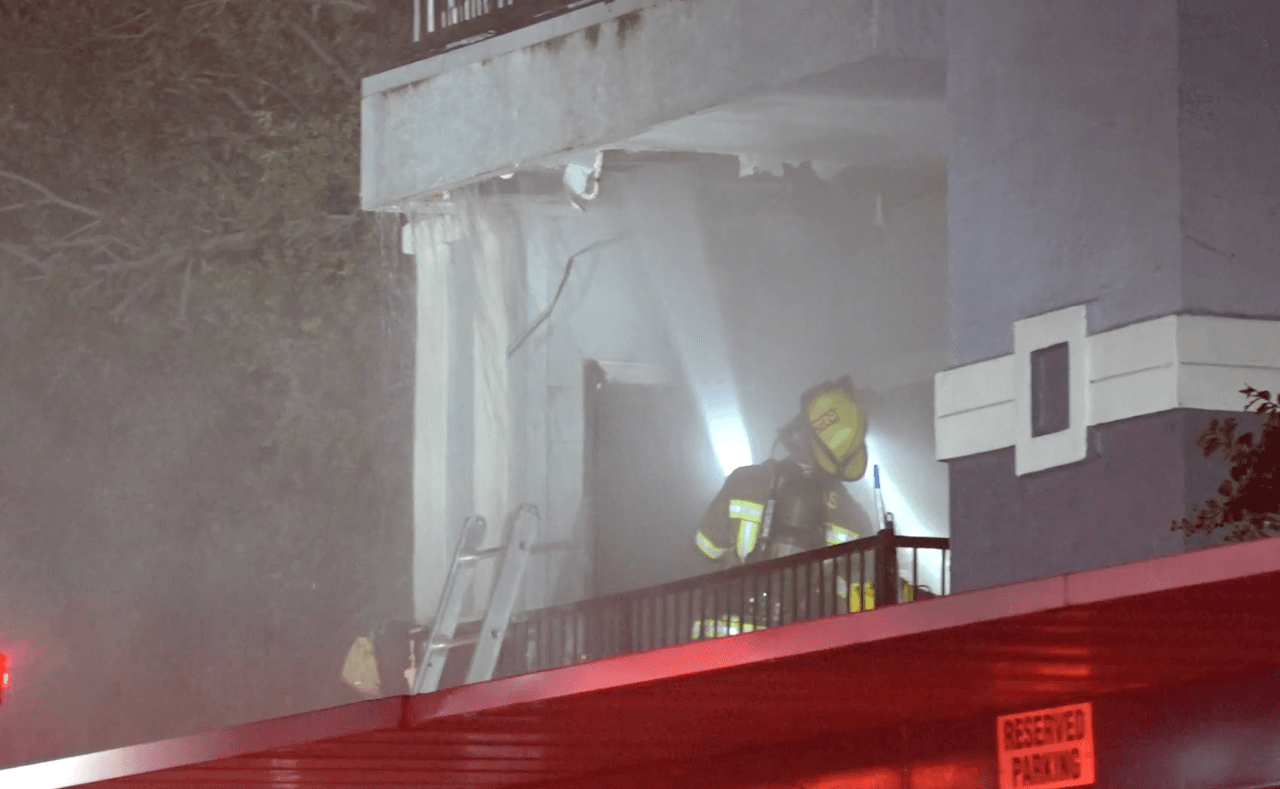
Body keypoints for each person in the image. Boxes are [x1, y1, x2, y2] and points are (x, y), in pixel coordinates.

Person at [695, 375, 875, 568]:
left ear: (797, 434)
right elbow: (863, 586)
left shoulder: (744, 481)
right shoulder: (854, 518)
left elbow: (708, 549)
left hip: (742, 587)